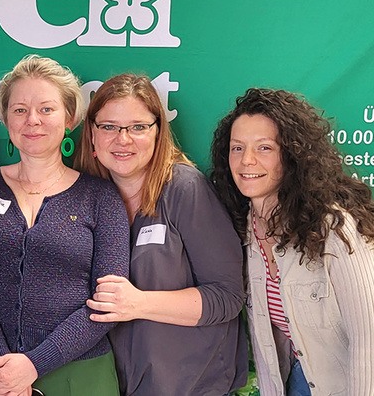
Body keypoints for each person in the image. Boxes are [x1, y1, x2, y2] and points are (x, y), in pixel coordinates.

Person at [0, 55, 129, 396]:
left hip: (80, 375)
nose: (32, 120)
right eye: (19, 110)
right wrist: (1, 363)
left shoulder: (101, 197)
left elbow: (108, 302)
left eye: (46, 109)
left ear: (70, 118)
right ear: (5, 119)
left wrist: (34, 364)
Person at [74, 73, 247, 396]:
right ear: (92, 135)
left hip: (191, 387)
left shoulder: (184, 189)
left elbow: (227, 296)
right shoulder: (82, 196)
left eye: (138, 127)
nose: (122, 139)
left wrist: (138, 303)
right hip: (108, 386)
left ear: (158, 132)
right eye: (109, 127)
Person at [210, 88, 374, 396]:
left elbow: (370, 341)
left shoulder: (334, 228)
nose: (247, 161)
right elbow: (266, 344)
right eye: (237, 148)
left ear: (293, 154)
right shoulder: (242, 227)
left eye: (264, 148)